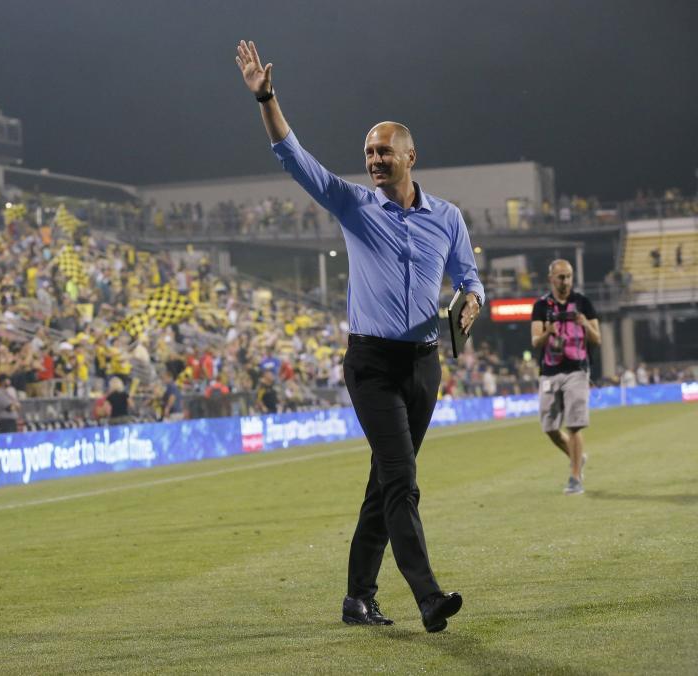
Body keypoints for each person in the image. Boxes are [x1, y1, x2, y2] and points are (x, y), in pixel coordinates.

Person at [236, 40, 485, 632]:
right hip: (371, 363)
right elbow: (295, 158)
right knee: (402, 479)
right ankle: (427, 595)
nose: (373, 160)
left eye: (383, 152)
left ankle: (357, 597)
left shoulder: (447, 217)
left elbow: (470, 279)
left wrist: (472, 301)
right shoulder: (353, 205)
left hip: (425, 364)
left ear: (410, 156)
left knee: (384, 483)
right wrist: (267, 98)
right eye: (369, 151)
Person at [530, 260, 600, 495]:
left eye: (568, 276)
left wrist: (585, 325)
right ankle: (578, 457)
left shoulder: (583, 303)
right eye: (561, 277)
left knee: (574, 425)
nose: (565, 281)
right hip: (549, 371)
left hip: (577, 370)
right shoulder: (541, 306)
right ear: (551, 278)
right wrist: (548, 332)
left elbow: (597, 339)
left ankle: (575, 477)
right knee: (549, 427)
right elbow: (535, 341)